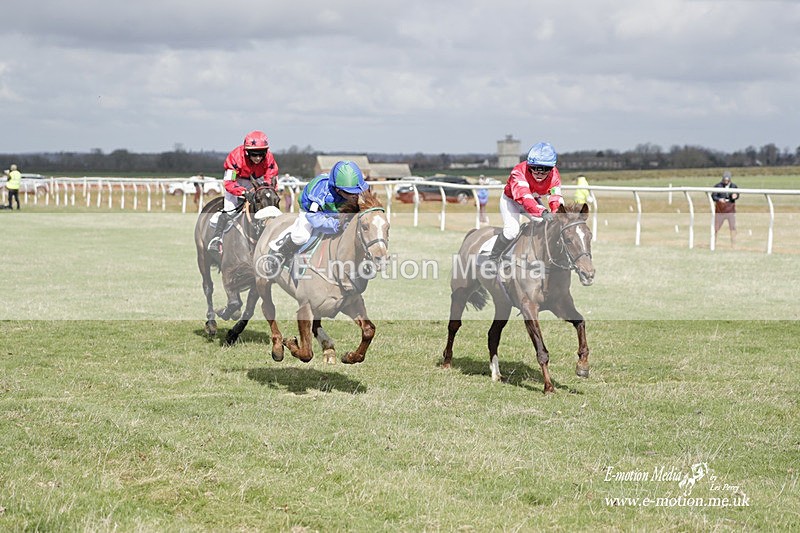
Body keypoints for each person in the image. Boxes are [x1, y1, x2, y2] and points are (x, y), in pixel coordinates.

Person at [262, 160, 369, 277]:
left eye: (356, 191)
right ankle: (280, 253)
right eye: (350, 192)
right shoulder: (321, 191)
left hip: (334, 212)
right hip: (311, 212)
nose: (354, 195)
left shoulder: (352, 189)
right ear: (338, 189)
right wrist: (336, 224)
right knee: (301, 236)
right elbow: (313, 217)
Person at [487, 142, 563, 262]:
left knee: (547, 227)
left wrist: (557, 212)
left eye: (545, 169)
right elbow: (525, 198)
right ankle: (492, 258)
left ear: (552, 168)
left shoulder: (554, 175)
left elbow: (555, 197)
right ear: (529, 165)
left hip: (533, 200)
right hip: (512, 201)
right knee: (512, 231)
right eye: (535, 168)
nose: (539, 173)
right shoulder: (518, 172)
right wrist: (543, 212)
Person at [208, 131, 280, 253]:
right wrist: (244, 193)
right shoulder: (235, 157)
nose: (258, 158)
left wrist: (264, 190)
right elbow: (230, 182)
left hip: (257, 180)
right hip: (237, 180)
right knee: (230, 209)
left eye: (261, 154)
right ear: (247, 152)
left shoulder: (269, 158)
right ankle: (217, 239)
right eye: (254, 155)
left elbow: (271, 177)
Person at [712, 171, 739, 248]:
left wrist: (735, 196)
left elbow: (737, 195)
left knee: (732, 227)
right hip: (720, 210)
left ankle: (733, 244)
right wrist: (719, 199)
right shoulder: (718, 186)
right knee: (716, 227)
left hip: (730, 210)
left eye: (727, 180)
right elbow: (714, 196)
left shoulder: (734, 186)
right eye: (725, 180)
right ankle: (713, 243)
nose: (726, 182)